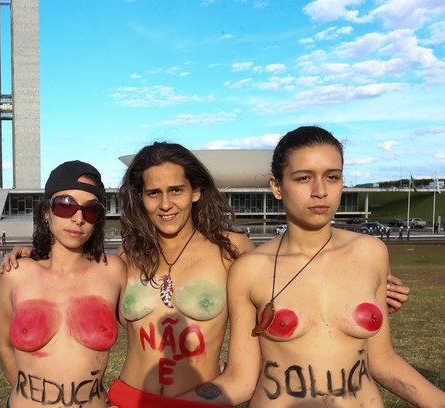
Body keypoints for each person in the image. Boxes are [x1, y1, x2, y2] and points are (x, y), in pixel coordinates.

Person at [0, 142, 412, 407]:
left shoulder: (233, 250)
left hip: (204, 399)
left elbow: (291, 280)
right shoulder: (126, 257)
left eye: (176, 190)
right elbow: (72, 271)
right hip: (128, 399)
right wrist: (28, 253)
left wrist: (367, 287)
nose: (166, 204)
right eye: (153, 193)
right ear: (140, 199)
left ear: (195, 191)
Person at [179, 126, 443, 406]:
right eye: (303, 178)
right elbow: (240, 380)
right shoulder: (250, 270)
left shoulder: (370, 252)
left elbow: (383, 361)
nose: (320, 192)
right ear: (277, 186)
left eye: (332, 177)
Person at [0, 160, 125, 407]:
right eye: (65, 205)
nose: (78, 218)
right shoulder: (17, 273)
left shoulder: (113, 270)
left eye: (91, 210)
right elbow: (3, 344)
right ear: (46, 211)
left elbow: (145, 328)